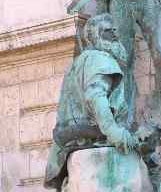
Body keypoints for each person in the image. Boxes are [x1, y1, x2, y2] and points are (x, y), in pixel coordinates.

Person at [44, 13, 138, 191]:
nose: (116, 35)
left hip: (73, 143)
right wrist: (114, 131)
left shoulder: (80, 61)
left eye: (115, 30)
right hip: (93, 138)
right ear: (96, 35)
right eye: (109, 31)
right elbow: (96, 96)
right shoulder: (100, 59)